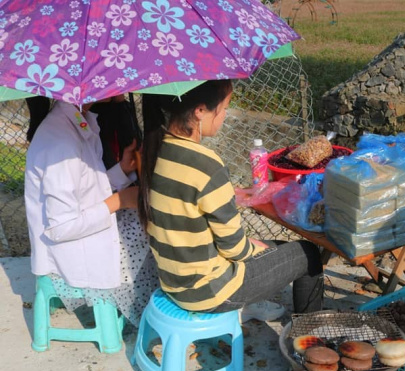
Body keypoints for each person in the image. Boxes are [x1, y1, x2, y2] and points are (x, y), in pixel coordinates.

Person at [138, 80, 323, 316]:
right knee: (308, 253)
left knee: (279, 248)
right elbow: (235, 249)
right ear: (200, 111)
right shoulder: (206, 164)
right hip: (210, 291)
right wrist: (255, 248)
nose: (225, 115)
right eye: (224, 108)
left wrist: (257, 247)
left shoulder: (156, 149)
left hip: (174, 281)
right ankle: (312, 342)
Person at [24, 97, 158, 327]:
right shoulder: (60, 144)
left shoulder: (77, 120)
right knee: (146, 231)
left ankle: (138, 307)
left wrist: (121, 171)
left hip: (78, 236)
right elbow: (60, 228)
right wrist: (118, 201)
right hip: (67, 253)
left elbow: (86, 188)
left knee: (143, 221)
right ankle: (133, 312)